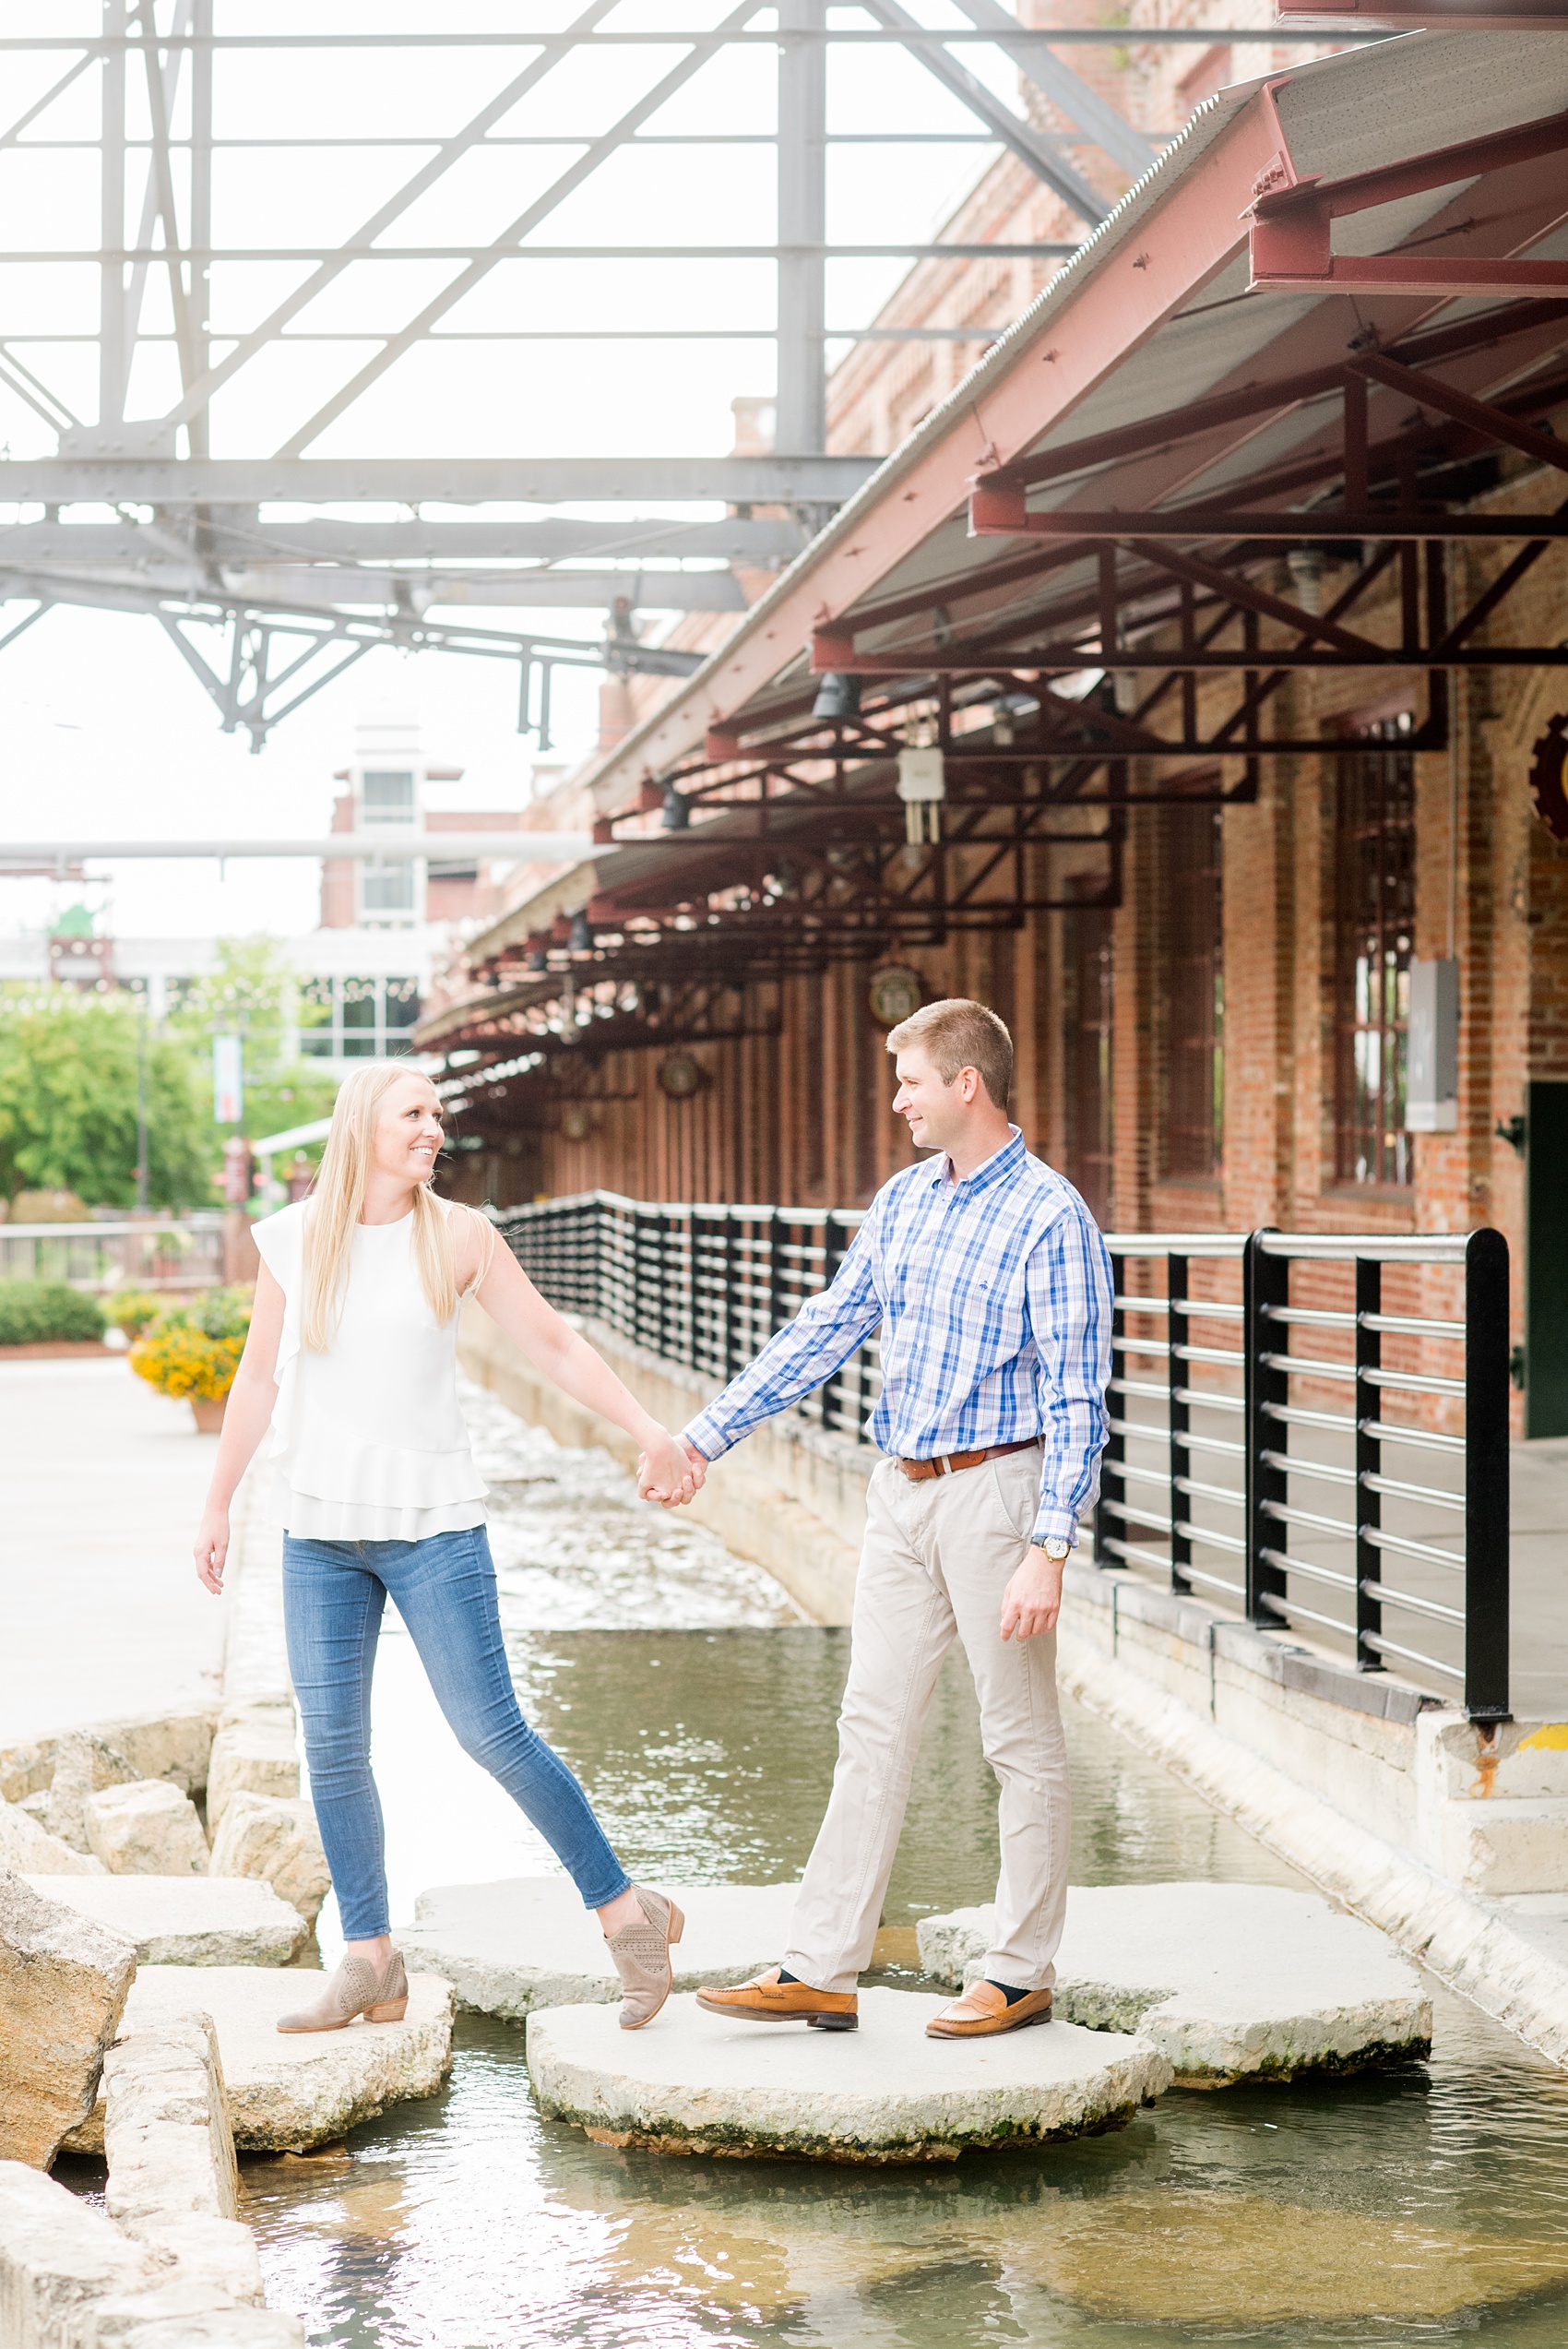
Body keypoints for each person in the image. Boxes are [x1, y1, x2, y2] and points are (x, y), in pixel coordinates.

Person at [193, 1062, 705, 2036]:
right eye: (414, 1113)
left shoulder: (460, 1234)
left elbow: (552, 1345)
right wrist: (217, 1501)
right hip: (318, 1535)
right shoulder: (295, 1240)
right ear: (363, 1126)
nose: (434, 1127)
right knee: (334, 1749)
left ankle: (625, 1913)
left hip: (435, 1529)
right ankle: (369, 1959)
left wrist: (649, 1430)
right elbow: (257, 1379)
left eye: (438, 1112)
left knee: (490, 1732)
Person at [680, 999, 1111, 2040]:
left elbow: (1077, 1397)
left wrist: (1047, 1547)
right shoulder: (905, 1199)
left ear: (967, 1082)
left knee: (1017, 1735)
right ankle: (821, 1966)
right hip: (898, 1488)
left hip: (995, 1494)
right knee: (868, 1723)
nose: (897, 1098)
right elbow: (826, 1325)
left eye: (911, 1079)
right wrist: (703, 1435)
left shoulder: (1052, 1218)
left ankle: (1019, 1968)